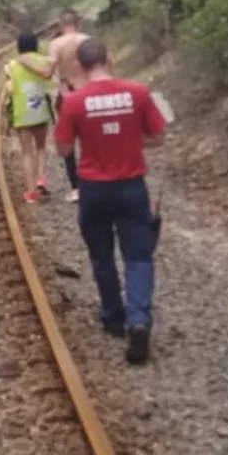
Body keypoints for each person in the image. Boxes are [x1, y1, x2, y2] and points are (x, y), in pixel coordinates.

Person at [53, 38, 166, 365]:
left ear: (79, 64)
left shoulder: (75, 102)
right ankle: (139, 321)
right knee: (139, 256)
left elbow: (62, 150)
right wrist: (128, 138)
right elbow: (158, 138)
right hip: (131, 187)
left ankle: (113, 318)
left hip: (93, 189)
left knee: (101, 256)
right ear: (109, 58)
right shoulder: (138, 93)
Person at [18, 9, 88, 202]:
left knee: (68, 141)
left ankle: (76, 187)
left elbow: (47, 73)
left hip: (68, 95)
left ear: (60, 25)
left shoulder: (56, 44)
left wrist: (26, 62)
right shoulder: (88, 41)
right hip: (88, 92)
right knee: (90, 139)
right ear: (78, 23)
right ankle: (97, 183)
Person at [2, 30, 56, 203]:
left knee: (26, 152)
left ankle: (31, 192)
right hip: (40, 107)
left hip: (21, 111)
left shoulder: (10, 65)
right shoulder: (43, 62)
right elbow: (49, 81)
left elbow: (9, 89)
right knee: (41, 147)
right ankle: (40, 177)